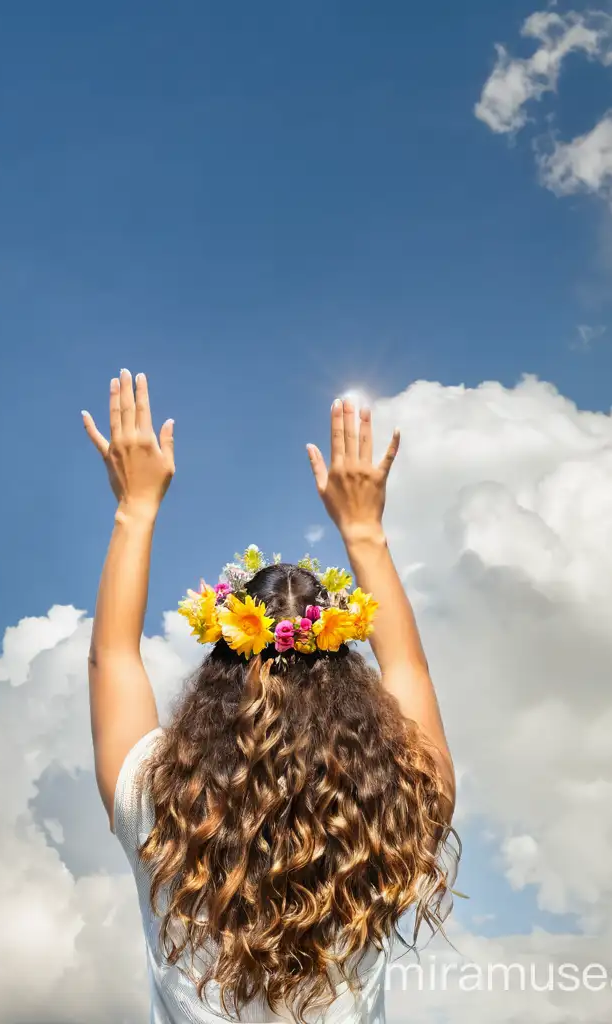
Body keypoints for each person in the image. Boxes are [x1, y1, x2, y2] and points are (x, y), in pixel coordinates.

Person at [82, 370, 459, 1024]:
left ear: (220, 672)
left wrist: (134, 507)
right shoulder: (405, 801)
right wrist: (365, 530)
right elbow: (410, 668)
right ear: (346, 675)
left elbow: (111, 656)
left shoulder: (155, 801)